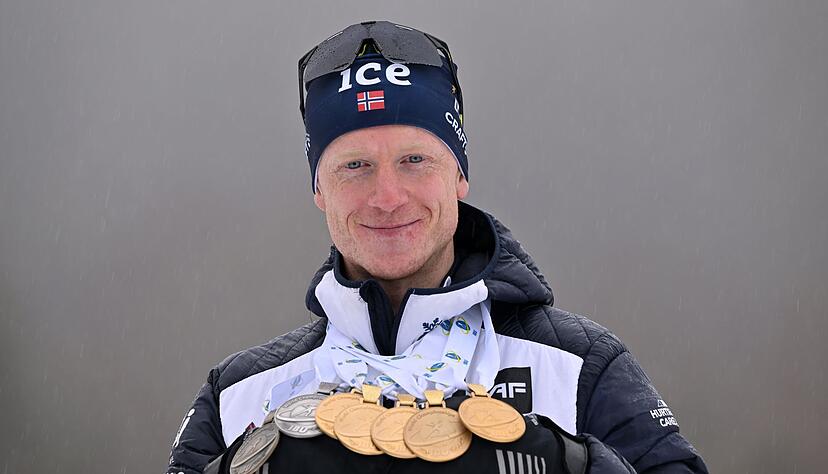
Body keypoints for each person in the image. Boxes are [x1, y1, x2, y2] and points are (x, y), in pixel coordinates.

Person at [166, 21, 708, 474]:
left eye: (414, 160)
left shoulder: (579, 366)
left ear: (459, 175)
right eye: (355, 166)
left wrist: (573, 464)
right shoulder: (240, 394)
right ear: (318, 189)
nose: (386, 197)